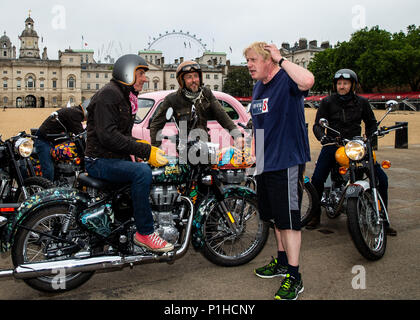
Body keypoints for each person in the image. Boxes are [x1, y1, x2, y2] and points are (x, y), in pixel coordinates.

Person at [244, 42, 314, 300]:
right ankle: (282, 262)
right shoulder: (258, 87)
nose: (249, 65)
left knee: (289, 220)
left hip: (286, 161)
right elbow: (258, 125)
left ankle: (294, 277)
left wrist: (281, 59)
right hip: (265, 162)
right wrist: (253, 152)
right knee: (274, 218)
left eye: (253, 60)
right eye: (247, 61)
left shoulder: (286, 79)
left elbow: (308, 80)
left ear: (268, 60)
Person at [84, 54, 174, 253]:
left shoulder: (123, 97)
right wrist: (144, 149)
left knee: (140, 176)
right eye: (140, 73)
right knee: (141, 172)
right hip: (99, 160)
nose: (145, 78)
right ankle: (145, 233)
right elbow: (108, 136)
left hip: (110, 157)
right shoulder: (110, 95)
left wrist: (142, 146)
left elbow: (120, 135)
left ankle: (120, 233)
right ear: (127, 73)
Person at [307, 69, 397, 236]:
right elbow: (317, 125)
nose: (342, 86)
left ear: (352, 85)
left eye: (346, 83)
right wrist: (323, 138)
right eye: (339, 83)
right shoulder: (327, 101)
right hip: (334, 143)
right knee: (317, 179)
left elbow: (371, 123)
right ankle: (314, 214)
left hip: (356, 145)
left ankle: (382, 217)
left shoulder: (362, 102)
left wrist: (370, 136)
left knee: (381, 178)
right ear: (336, 85)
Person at [150, 60, 244, 152]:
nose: (194, 80)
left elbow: (222, 116)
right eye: (189, 77)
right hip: (185, 151)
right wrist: (156, 149)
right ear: (182, 80)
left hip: (205, 147)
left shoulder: (206, 94)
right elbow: (156, 124)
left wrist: (237, 136)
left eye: (196, 76)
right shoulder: (172, 99)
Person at [35, 103, 87, 181]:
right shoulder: (75, 114)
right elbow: (80, 133)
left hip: (56, 140)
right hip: (44, 140)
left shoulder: (74, 111)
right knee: (49, 169)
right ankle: (47, 189)